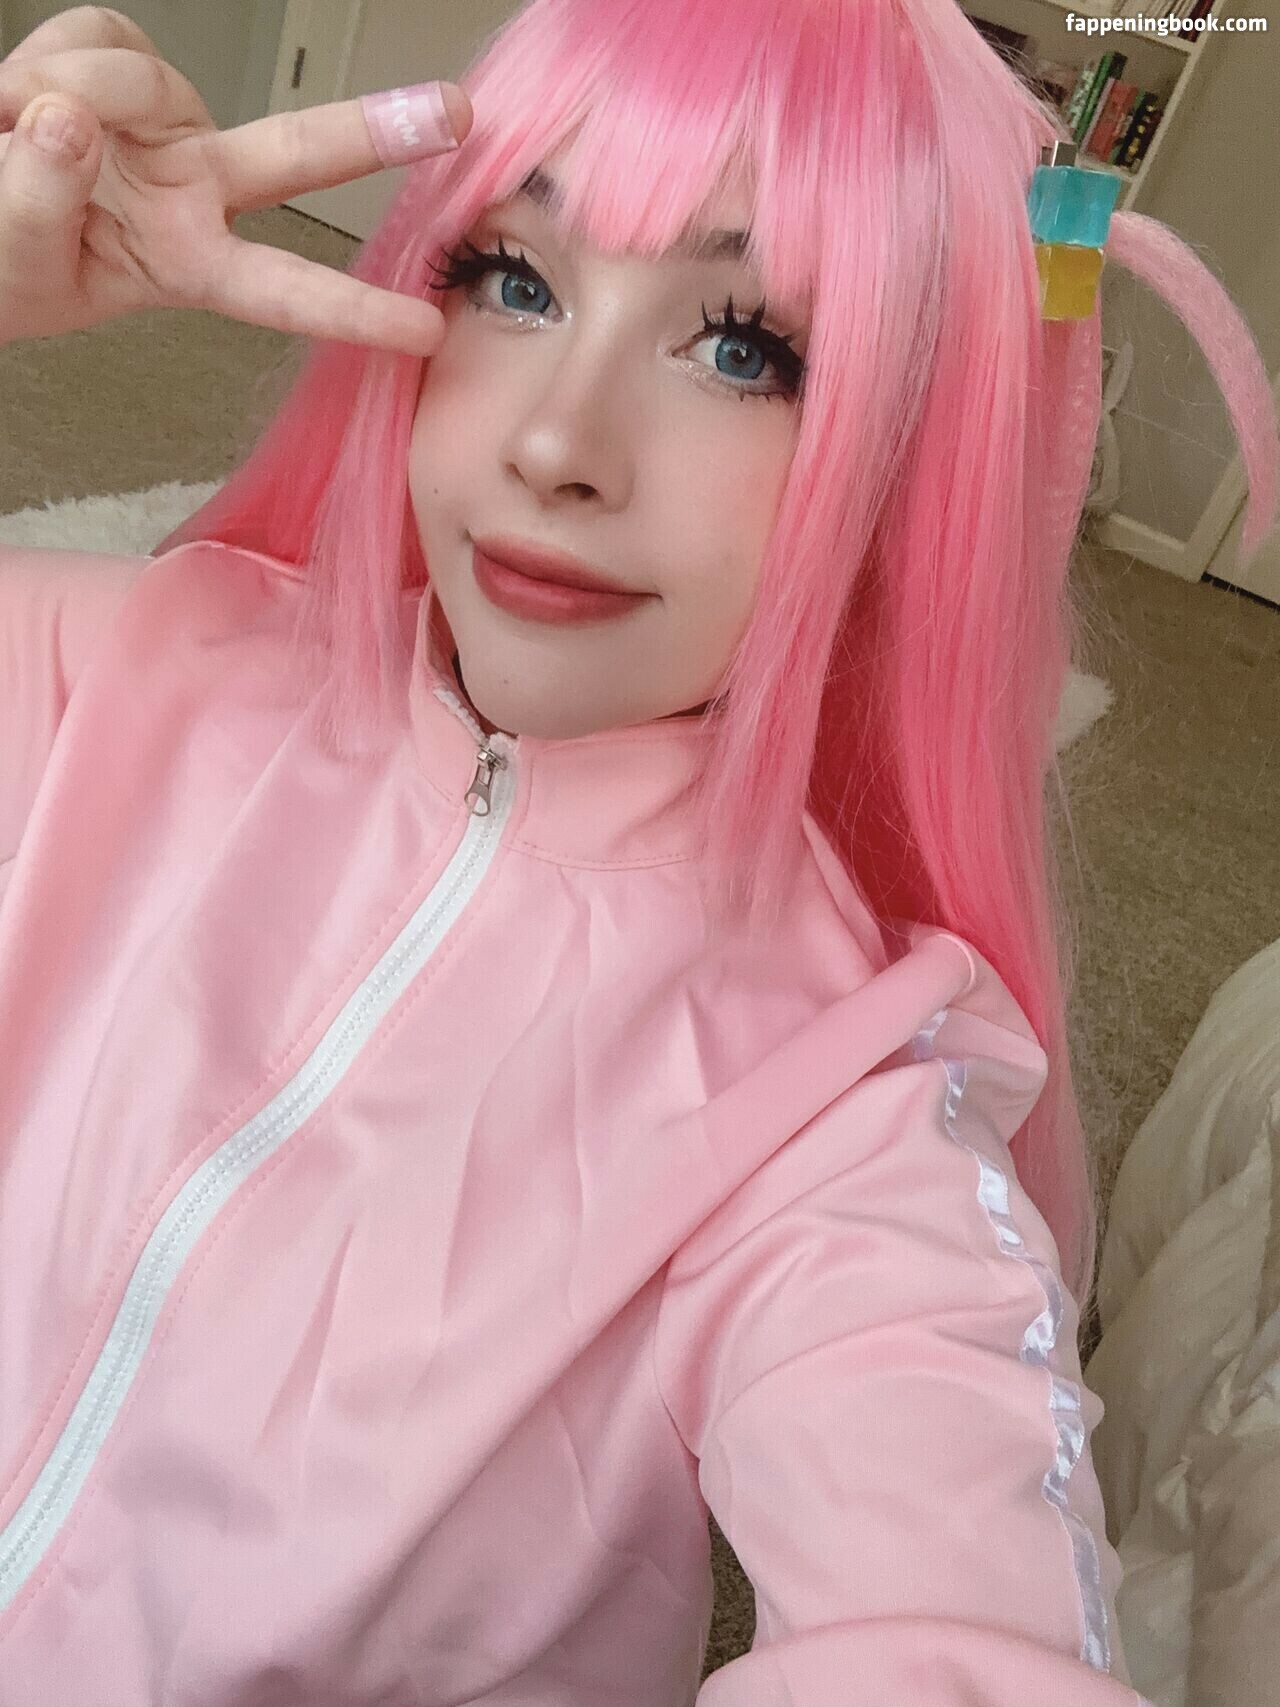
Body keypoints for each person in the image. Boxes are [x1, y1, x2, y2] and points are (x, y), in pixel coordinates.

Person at [0, 3, 1274, 1703]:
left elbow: (956, 1630)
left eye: (743, 348)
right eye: (515, 281)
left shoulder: (837, 1093)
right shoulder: (129, 668)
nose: (555, 444)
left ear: (909, 457)